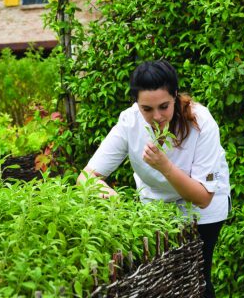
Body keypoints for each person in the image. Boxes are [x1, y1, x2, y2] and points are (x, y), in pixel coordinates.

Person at [77, 59, 230, 298]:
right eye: (146, 109)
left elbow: (203, 197)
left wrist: (165, 167)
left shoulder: (202, 122)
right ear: (136, 104)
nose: (156, 116)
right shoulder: (129, 121)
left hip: (202, 210)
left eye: (164, 106)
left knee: (198, 281)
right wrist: (106, 194)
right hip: (155, 209)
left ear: (175, 96)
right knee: (160, 283)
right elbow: (86, 176)